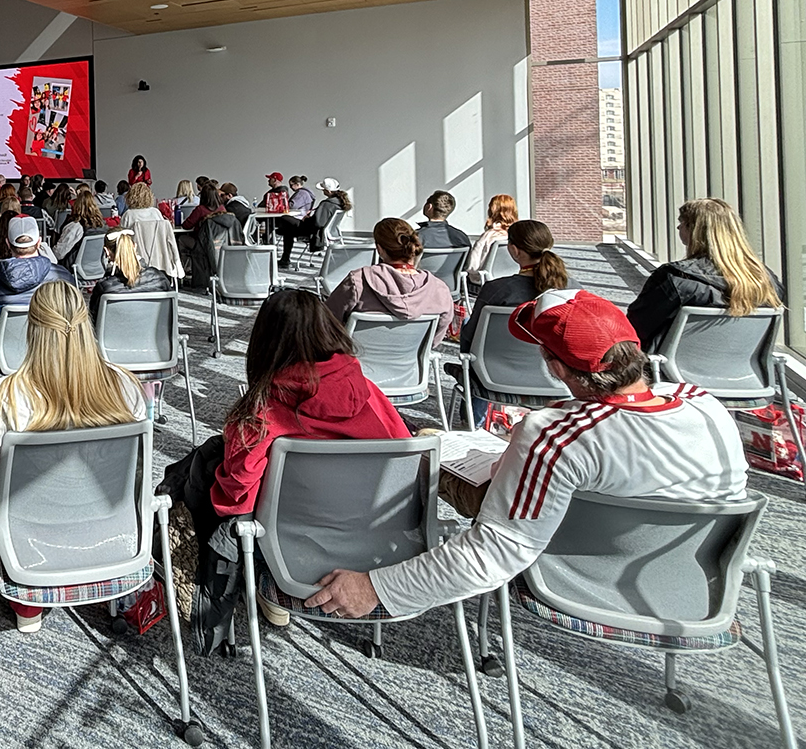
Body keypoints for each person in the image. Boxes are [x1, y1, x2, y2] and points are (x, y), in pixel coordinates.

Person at [304, 290, 749, 620]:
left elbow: (495, 553)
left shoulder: (556, 436)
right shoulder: (705, 405)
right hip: (691, 587)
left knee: (428, 443)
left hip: (573, 579)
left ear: (555, 367)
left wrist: (375, 587)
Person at [173, 290, 410, 641]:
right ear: (329, 331)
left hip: (288, 556)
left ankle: (263, 591)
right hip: (375, 548)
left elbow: (234, 500)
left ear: (264, 344)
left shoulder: (261, 412)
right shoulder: (369, 392)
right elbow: (403, 462)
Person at [0, 280, 147, 632]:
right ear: (86, 324)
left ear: (32, 329)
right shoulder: (127, 387)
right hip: (110, 537)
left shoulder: (11, 395)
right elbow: (135, 478)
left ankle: (28, 608)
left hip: (31, 548)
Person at [627, 197, 783, 350]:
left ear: (694, 230)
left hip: (676, 364)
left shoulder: (675, 278)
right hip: (744, 364)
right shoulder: (766, 281)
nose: (678, 228)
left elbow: (635, 327)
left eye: (682, 222)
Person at [326, 217, 455, 343]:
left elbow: (326, 320)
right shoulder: (440, 289)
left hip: (355, 355)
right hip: (411, 356)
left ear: (379, 249)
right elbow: (436, 337)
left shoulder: (358, 281)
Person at [459, 220, 571, 353]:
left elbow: (470, 336)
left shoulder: (496, 289)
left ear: (514, 250)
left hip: (494, 361)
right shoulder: (571, 289)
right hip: (551, 362)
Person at [0, 216, 74, 342]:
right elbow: (72, 316)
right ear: (39, 242)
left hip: (0, 353)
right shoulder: (62, 276)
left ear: (8, 243)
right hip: (49, 350)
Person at [88, 230, 171, 325]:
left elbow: (93, 322)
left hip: (115, 334)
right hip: (155, 334)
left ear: (106, 252)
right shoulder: (160, 279)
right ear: (134, 247)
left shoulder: (104, 288)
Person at [273, 178, 350, 268]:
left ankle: (284, 258)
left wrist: (307, 219)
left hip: (313, 231)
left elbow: (318, 222)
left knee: (284, 219)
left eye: (323, 190)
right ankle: (284, 259)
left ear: (328, 191)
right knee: (288, 229)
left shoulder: (326, 204)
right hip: (324, 231)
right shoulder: (340, 203)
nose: (323, 192)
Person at [118, 182, 184, 281]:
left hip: (137, 257)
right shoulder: (156, 213)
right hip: (159, 257)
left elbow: (122, 239)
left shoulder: (128, 215)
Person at [467, 193, 519, 282]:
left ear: (491, 211)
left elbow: (472, 266)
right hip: (514, 280)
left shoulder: (488, 236)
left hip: (487, 282)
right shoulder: (519, 235)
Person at [51, 193, 107, 266]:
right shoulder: (102, 227)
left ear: (76, 207)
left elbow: (59, 254)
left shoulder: (75, 227)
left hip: (73, 268)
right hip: (98, 267)